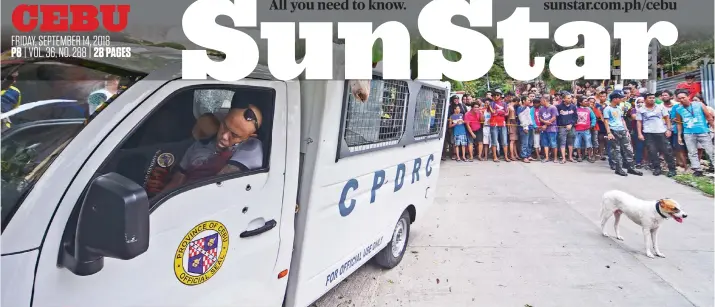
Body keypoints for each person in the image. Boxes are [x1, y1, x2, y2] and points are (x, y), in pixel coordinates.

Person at [147, 105, 265, 194]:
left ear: (249, 137)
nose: (224, 136)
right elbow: (177, 180)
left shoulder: (251, 147)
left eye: (234, 135)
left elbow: (218, 185)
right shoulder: (199, 145)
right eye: (225, 126)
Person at [671, 90, 715, 177]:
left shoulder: (699, 105)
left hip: (703, 131)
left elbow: (709, 117)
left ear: (688, 97)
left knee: (710, 151)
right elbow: (679, 123)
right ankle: (697, 170)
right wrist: (679, 135)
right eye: (679, 98)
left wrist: (714, 128)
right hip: (688, 133)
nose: (681, 100)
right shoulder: (678, 109)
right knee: (692, 152)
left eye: (683, 97)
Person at [636, 92, 677, 177]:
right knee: (652, 151)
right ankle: (657, 168)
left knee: (667, 151)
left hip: (661, 132)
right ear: (645, 99)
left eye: (653, 98)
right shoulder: (641, 109)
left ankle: (672, 169)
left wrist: (669, 129)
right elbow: (639, 122)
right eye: (650, 98)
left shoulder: (661, 107)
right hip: (648, 133)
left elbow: (667, 118)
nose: (652, 99)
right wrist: (640, 133)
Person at [603, 90, 643, 176]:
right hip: (613, 130)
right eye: (620, 98)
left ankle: (631, 168)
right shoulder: (607, 109)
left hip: (622, 130)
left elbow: (622, 119)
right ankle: (619, 169)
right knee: (616, 151)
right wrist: (609, 133)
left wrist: (626, 130)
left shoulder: (618, 108)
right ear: (614, 99)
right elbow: (606, 121)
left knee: (628, 149)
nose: (621, 99)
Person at [660, 90, 687, 169]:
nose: (664, 97)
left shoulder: (676, 105)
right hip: (667, 129)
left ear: (671, 97)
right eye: (663, 95)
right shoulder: (660, 106)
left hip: (681, 129)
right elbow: (670, 118)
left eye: (666, 95)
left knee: (679, 147)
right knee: (670, 147)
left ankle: (681, 163)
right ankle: (672, 163)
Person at [488, 90, 510, 162]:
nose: (496, 96)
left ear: (500, 96)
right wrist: (500, 112)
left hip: (502, 124)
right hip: (494, 124)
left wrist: (498, 112)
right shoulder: (491, 104)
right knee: (494, 141)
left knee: (504, 141)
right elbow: (493, 113)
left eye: (497, 95)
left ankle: (506, 156)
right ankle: (495, 157)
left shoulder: (504, 104)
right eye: (494, 95)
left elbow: (506, 113)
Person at [556, 92, 578, 163]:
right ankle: (563, 158)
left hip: (571, 127)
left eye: (570, 98)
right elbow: (557, 117)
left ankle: (570, 157)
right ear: (563, 99)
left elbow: (575, 117)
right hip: (562, 127)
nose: (570, 99)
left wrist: (571, 124)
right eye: (568, 98)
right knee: (562, 143)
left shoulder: (573, 106)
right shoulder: (559, 107)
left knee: (571, 143)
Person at [574, 96, 597, 162]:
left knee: (588, 143)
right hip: (577, 129)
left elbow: (593, 118)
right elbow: (572, 117)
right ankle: (579, 156)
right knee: (578, 143)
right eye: (585, 101)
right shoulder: (576, 109)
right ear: (580, 103)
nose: (587, 102)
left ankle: (589, 156)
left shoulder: (589, 109)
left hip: (586, 129)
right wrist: (574, 123)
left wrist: (592, 125)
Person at [538, 95, 558, 163]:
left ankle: (555, 158)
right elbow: (540, 118)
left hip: (552, 128)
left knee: (553, 143)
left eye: (541, 100)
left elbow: (554, 117)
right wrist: (544, 122)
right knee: (545, 143)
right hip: (544, 129)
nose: (540, 102)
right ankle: (547, 157)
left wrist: (546, 124)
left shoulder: (553, 107)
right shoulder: (541, 108)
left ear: (545, 100)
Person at [517, 98, 535, 163]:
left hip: (530, 127)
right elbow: (521, 118)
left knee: (530, 142)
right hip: (524, 127)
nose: (529, 101)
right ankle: (524, 156)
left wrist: (531, 125)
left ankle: (528, 155)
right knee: (525, 143)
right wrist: (525, 127)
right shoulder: (520, 108)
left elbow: (529, 118)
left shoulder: (528, 108)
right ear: (524, 101)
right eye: (528, 100)